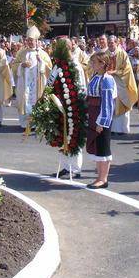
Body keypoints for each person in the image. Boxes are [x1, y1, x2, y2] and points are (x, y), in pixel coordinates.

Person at [49, 37, 87, 179]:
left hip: (74, 106)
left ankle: (75, 168)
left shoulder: (75, 65)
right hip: (60, 105)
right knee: (62, 135)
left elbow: (81, 86)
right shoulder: (57, 65)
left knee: (74, 136)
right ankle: (65, 166)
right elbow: (50, 83)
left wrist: (80, 105)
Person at [86, 51, 117, 189]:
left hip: (100, 116)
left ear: (102, 64)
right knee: (97, 147)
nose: (92, 64)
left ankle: (103, 179)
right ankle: (99, 177)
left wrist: (102, 122)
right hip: (93, 114)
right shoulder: (95, 77)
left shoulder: (107, 79)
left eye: (94, 62)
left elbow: (107, 103)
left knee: (103, 147)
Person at [13, 26, 52, 131]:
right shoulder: (21, 53)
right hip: (24, 83)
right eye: (28, 40)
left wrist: (41, 63)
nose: (30, 42)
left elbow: (49, 68)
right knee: (25, 101)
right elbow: (14, 65)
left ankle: (38, 124)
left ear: (36, 41)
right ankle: (25, 124)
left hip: (38, 84)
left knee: (37, 101)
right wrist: (22, 65)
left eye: (32, 40)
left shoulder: (42, 54)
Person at [104, 35, 138, 135]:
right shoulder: (105, 54)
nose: (110, 44)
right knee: (111, 105)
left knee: (122, 104)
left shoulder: (122, 53)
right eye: (109, 42)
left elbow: (127, 69)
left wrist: (115, 72)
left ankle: (122, 129)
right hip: (109, 83)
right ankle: (112, 128)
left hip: (120, 83)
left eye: (112, 42)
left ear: (116, 43)